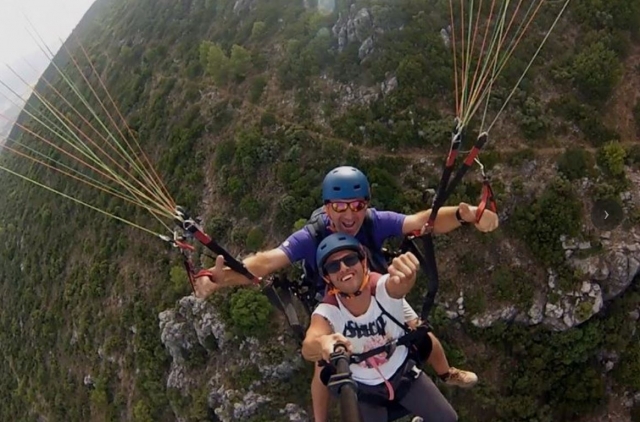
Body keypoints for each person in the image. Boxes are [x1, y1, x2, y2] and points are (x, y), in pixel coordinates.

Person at [195, 166, 496, 421]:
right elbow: (266, 261)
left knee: (421, 333)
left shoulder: (373, 222)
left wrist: (462, 215)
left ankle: (446, 373)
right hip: (329, 296)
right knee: (322, 364)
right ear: (327, 208)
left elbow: (421, 223)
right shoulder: (312, 235)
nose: (349, 214)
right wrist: (221, 278)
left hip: (377, 288)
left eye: (356, 205)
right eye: (340, 207)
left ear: (365, 205)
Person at [301, 233, 458, 422]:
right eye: (334, 266)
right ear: (328, 277)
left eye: (350, 260)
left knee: (447, 418)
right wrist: (323, 342)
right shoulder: (328, 311)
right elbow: (310, 343)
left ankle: (448, 373)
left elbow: (396, 287)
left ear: (363, 262)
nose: (343, 268)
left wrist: (406, 276)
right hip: (367, 391)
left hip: (404, 375)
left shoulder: (381, 288)